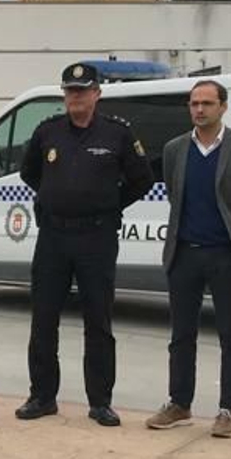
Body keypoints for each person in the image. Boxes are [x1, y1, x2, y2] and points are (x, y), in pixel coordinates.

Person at [15, 63, 154, 427]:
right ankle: (42, 396)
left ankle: (100, 401)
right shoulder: (48, 132)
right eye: (70, 91)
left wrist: (109, 203)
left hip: (97, 237)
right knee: (44, 320)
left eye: (82, 90)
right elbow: (31, 173)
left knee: (98, 321)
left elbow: (142, 179)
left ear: (97, 94)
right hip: (54, 238)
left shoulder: (117, 133)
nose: (75, 97)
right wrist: (55, 196)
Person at [145, 80, 231, 438]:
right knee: (181, 334)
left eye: (207, 103)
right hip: (185, 253)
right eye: (194, 103)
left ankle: (228, 409)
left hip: (225, 255)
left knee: (230, 334)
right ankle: (179, 403)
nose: (200, 109)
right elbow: (174, 194)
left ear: (223, 107)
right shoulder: (174, 149)